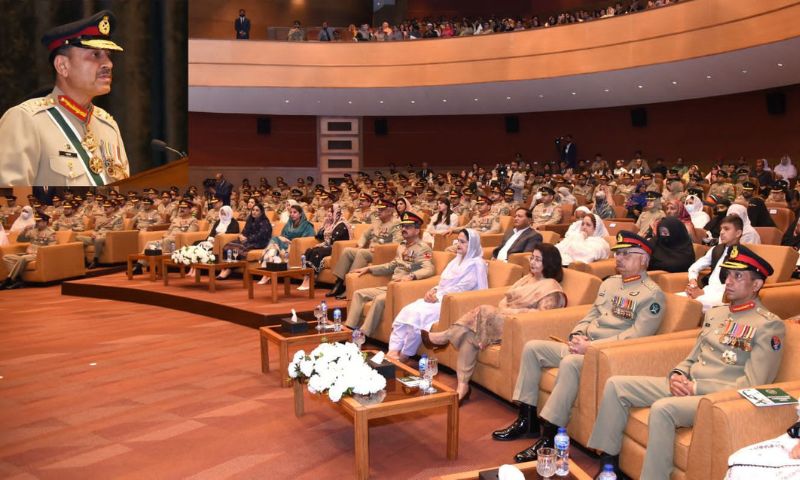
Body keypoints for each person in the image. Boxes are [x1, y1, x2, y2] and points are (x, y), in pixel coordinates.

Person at [587, 245, 784, 479]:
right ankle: (608, 466)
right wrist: (678, 374)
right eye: (728, 274)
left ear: (756, 285)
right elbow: (694, 356)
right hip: (688, 384)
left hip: (714, 396)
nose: (728, 281)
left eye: (738, 276)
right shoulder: (717, 314)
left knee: (663, 409)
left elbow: (754, 382)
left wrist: (696, 388)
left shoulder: (768, 325)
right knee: (616, 385)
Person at [492, 231, 666, 464]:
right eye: (618, 254)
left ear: (643, 259)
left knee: (571, 363)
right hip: (584, 345)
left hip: (606, 355)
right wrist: (577, 333)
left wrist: (592, 347)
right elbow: (592, 313)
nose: (619, 259)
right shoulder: (611, 283)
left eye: (626, 254)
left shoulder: (652, 295)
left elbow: (637, 336)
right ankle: (527, 420)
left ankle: (550, 437)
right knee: (533, 348)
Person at [423, 244, 567, 401]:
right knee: (470, 335)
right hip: (503, 319)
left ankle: (444, 337)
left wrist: (509, 313)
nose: (532, 262)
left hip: (519, 328)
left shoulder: (550, 288)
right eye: (532, 258)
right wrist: (503, 311)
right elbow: (505, 300)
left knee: (484, 310)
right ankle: (462, 387)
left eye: (538, 259)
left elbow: (542, 318)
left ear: (549, 262)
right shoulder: (527, 279)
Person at [0, 10, 128, 186]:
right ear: (62, 66)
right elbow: (8, 204)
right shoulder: (26, 121)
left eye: (109, 55)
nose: (109, 64)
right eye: (96, 55)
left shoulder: (109, 127)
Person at [387, 229, 488, 362]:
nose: (458, 245)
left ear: (472, 244)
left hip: (454, 303)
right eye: (458, 241)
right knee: (407, 310)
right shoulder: (455, 260)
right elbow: (443, 282)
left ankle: (404, 355)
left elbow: (463, 288)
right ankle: (393, 351)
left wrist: (439, 296)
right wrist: (433, 290)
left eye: (463, 242)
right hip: (440, 297)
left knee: (418, 315)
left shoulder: (477, 264)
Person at [345, 212, 435, 335]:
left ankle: (362, 335)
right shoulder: (402, 246)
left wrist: (411, 276)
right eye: (403, 226)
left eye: (408, 227)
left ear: (417, 230)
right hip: (390, 285)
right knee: (359, 293)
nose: (404, 229)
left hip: (403, 288)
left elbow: (429, 269)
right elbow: (392, 265)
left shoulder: (423, 248)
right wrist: (370, 269)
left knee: (378, 300)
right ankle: (348, 330)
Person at [327, 200, 401, 298]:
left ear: (390, 211)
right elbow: (365, 234)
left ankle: (350, 285)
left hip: (381, 253)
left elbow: (396, 243)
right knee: (347, 251)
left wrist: (379, 248)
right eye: (378, 209)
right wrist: (361, 244)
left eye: (381, 210)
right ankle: (339, 283)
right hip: (370, 250)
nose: (378, 211)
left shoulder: (396, 224)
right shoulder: (377, 222)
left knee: (362, 253)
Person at [300, 204, 350, 290]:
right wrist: (324, 224)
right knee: (309, 250)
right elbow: (318, 237)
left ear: (337, 213)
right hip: (328, 246)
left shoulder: (342, 225)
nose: (329, 213)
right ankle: (306, 277)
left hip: (336, 248)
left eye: (331, 211)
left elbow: (334, 241)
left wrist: (324, 242)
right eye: (328, 211)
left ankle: (311, 279)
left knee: (317, 252)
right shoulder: (330, 224)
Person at [1, 213, 56, 289]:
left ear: (45, 222)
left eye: (39, 221)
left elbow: (51, 248)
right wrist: (24, 230)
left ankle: (9, 279)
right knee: (6, 257)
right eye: (36, 221)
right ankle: (18, 280)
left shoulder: (51, 232)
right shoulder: (33, 231)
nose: (37, 223)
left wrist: (40, 252)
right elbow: (20, 240)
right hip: (27, 254)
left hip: (38, 255)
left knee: (23, 258)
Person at [217, 203, 271, 279]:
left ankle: (229, 269)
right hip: (248, 240)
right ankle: (225, 268)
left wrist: (247, 239)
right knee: (228, 245)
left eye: (257, 210)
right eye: (253, 210)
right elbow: (245, 231)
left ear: (261, 212)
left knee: (239, 248)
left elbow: (260, 235)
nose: (254, 212)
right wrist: (241, 235)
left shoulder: (265, 222)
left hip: (259, 242)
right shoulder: (250, 219)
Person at [76, 201, 123, 268]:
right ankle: (84, 260)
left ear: (113, 208)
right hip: (96, 237)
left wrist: (101, 235)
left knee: (98, 240)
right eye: (105, 207)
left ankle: (96, 260)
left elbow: (116, 231)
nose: (105, 208)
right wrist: (94, 234)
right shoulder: (101, 217)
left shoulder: (118, 218)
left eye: (108, 207)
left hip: (107, 238)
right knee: (77, 238)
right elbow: (96, 229)